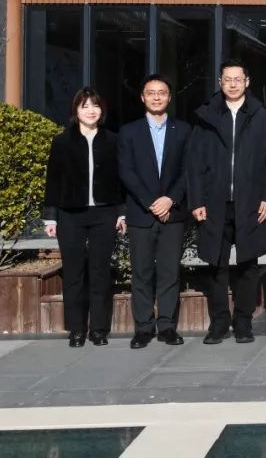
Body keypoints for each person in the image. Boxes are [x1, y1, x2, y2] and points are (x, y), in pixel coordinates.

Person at [187, 60, 266, 345]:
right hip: (214, 203)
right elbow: (194, 162)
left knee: (248, 264)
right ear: (220, 82)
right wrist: (196, 200)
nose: (233, 84)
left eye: (238, 79)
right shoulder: (207, 116)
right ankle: (219, 323)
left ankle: (243, 322)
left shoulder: (262, 117)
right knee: (216, 264)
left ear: (247, 82)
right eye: (227, 79)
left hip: (251, 203)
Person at [43, 87, 126, 347]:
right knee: (74, 272)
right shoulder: (62, 141)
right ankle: (76, 329)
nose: (91, 111)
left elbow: (121, 180)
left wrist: (122, 212)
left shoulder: (113, 140)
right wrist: (51, 217)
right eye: (85, 106)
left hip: (105, 212)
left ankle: (99, 329)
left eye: (95, 105)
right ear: (76, 110)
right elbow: (53, 180)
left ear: (102, 110)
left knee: (100, 272)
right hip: (70, 214)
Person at [117, 74, 190, 349]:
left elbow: (188, 170)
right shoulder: (129, 132)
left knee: (170, 272)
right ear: (142, 97)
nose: (156, 97)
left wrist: (170, 199)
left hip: (173, 213)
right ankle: (143, 328)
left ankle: (167, 326)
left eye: (161, 92)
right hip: (141, 213)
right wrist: (152, 202)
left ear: (169, 97)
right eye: (151, 92)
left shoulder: (183, 130)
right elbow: (126, 171)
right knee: (142, 272)